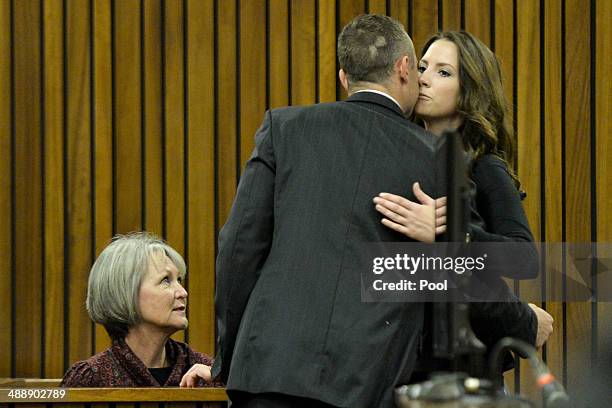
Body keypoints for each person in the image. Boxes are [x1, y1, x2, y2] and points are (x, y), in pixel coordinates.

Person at [212, 14, 446, 408]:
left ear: (344, 77)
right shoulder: (438, 158)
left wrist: (231, 356)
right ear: (405, 67)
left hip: (270, 371)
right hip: (370, 382)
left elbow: (237, 250)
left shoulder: (283, 129)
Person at [372, 31, 553, 374]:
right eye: (422, 67)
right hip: (403, 358)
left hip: (464, 366)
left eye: (443, 72)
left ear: (469, 91)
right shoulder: (399, 157)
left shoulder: (485, 167)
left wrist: (449, 229)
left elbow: (523, 259)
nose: (423, 79)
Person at [61, 232, 214, 387]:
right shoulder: (91, 379)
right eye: (166, 280)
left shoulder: (206, 372)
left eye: (179, 280)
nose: (183, 292)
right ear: (125, 293)